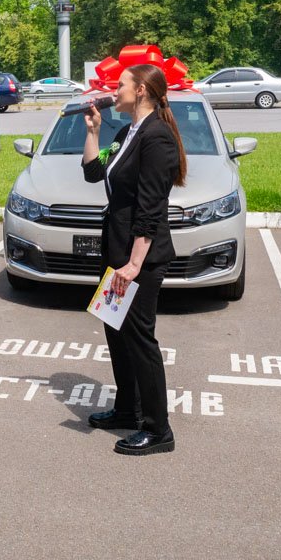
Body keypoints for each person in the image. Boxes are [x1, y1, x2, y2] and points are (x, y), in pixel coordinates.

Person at [81, 62, 187, 455]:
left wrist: (133, 265)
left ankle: (158, 429)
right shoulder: (128, 132)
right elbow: (95, 173)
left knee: (140, 338)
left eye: (121, 84)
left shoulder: (157, 138)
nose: (115, 89)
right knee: (116, 331)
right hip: (118, 250)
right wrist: (93, 131)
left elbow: (150, 207)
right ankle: (128, 408)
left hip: (139, 258)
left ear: (141, 90)